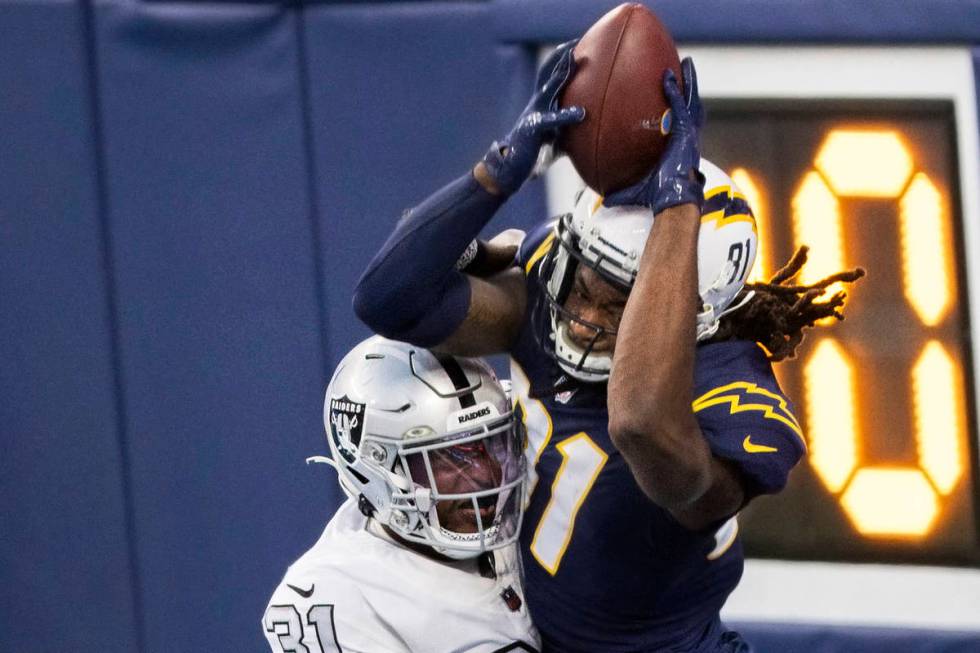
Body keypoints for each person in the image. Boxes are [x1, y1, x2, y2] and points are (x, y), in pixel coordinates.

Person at [352, 42, 863, 653]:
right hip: (517, 633)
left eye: (618, 304)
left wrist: (679, 206)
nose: (584, 318)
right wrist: (499, 172)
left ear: (695, 314)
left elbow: (642, 422)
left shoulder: (738, 396)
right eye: (584, 286)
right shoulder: (551, 288)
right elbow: (388, 300)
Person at [262, 336, 540, 653]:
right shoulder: (336, 597)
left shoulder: (535, 507)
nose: (486, 474)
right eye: (452, 457)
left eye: (493, 444)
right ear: (375, 466)